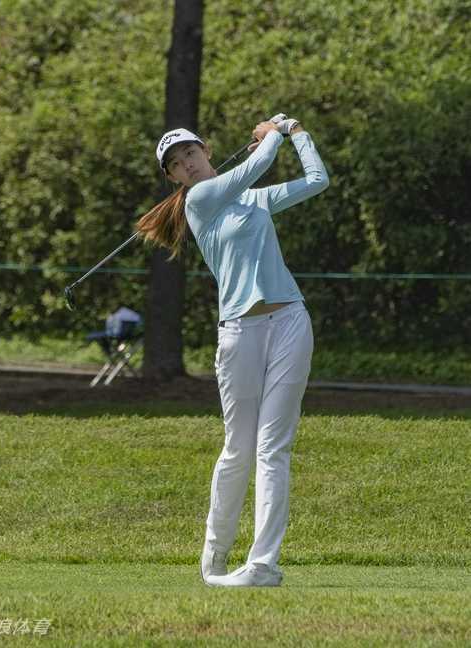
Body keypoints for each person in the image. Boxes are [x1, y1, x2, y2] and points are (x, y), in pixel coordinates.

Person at [136, 115, 329, 587]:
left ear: (205, 150)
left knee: (273, 448)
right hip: (240, 332)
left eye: (191, 154)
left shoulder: (254, 202)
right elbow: (256, 166)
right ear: (175, 178)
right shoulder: (200, 201)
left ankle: (263, 564)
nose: (188, 165)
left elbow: (317, 181)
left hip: (289, 322)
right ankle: (215, 558)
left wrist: (298, 133)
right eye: (178, 165)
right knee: (237, 449)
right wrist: (272, 134)